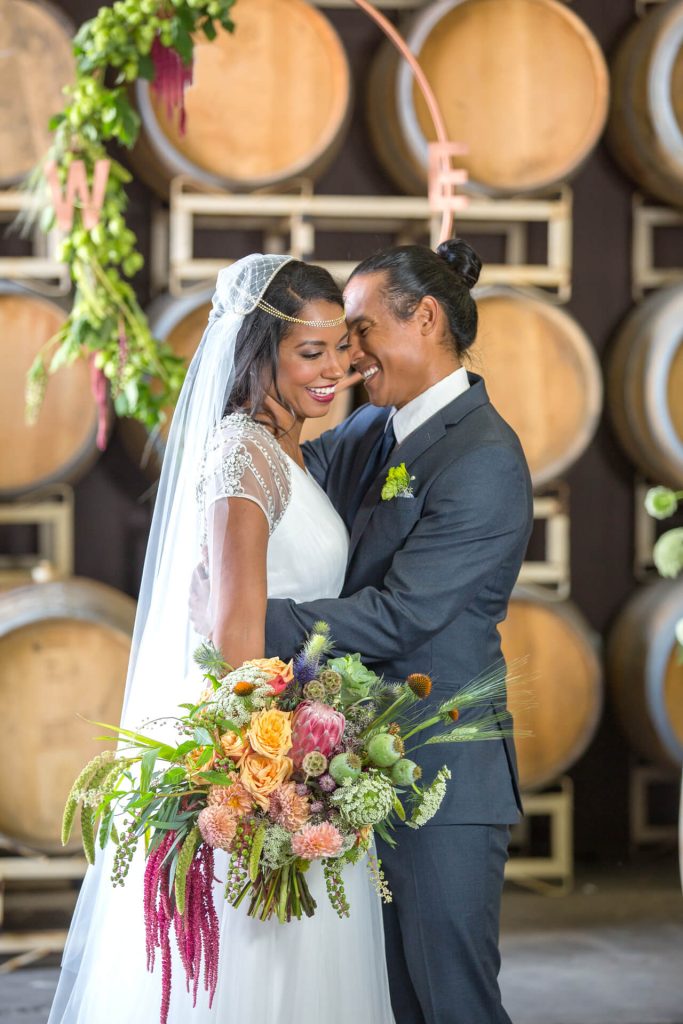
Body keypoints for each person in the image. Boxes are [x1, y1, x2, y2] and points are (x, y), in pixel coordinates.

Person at [47, 255, 395, 1024]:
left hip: (306, 750)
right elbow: (236, 641)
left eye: (341, 347)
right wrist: (286, 775)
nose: (336, 367)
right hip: (272, 766)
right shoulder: (244, 455)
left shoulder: (288, 447)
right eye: (311, 352)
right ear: (257, 352)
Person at [266, 239, 534, 1024]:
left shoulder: (484, 456)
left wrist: (254, 622)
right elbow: (295, 484)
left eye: (358, 330)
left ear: (424, 317)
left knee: (448, 1001)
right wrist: (288, 398)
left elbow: (404, 614)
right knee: (384, 1003)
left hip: (441, 776)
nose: (349, 351)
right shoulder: (374, 430)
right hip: (356, 768)